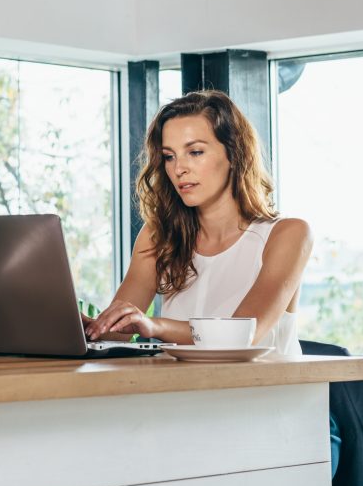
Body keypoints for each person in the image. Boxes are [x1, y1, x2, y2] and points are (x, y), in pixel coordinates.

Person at [84, 89, 312, 353]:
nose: (179, 168)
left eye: (195, 152)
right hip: (186, 390)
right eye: (169, 156)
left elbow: (242, 335)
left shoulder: (289, 234)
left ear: (234, 153)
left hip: (272, 392)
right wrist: (89, 328)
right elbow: (116, 334)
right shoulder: (158, 236)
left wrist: (155, 326)